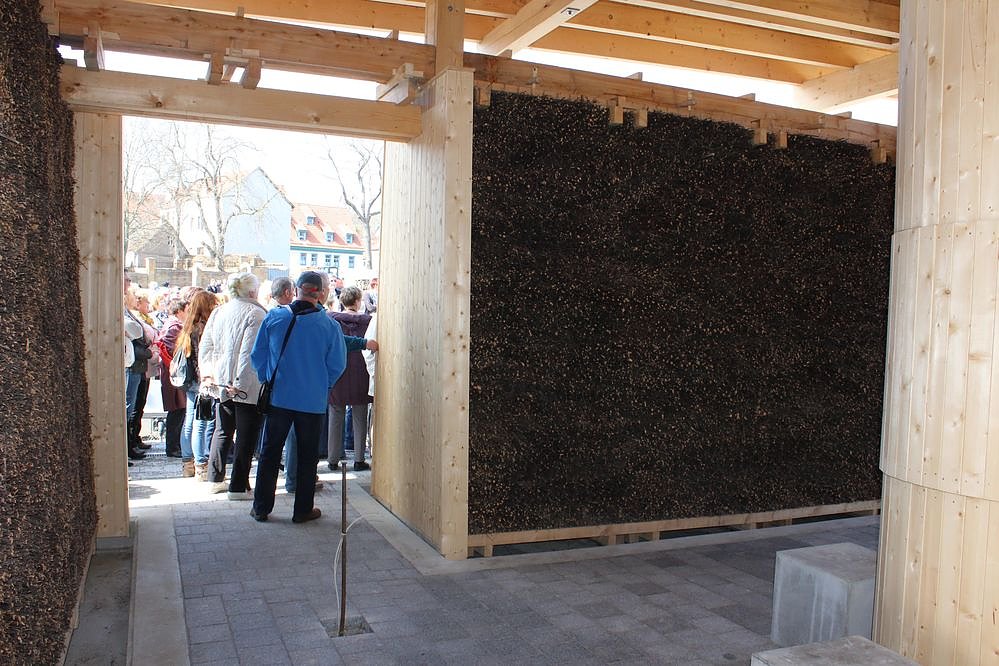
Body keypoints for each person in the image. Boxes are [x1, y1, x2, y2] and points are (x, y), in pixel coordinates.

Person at [249, 271, 346, 523]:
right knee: (307, 456)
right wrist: (322, 385)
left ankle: (261, 507)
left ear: (296, 290)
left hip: (279, 397)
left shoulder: (275, 317)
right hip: (312, 401)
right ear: (321, 293)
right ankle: (302, 510)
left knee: (270, 453)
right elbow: (337, 364)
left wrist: (268, 378)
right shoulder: (329, 326)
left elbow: (257, 355)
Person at [200, 273, 267, 500]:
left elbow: (206, 346)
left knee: (223, 430)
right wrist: (240, 384)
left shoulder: (220, 312)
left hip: (221, 380)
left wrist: (208, 374)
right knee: (246, 435)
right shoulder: (256, 313)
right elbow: (248, 354)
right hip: (244, 385)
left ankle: (214, 478)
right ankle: (238, 486)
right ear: (252, 291)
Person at [328, 287, 373, 472]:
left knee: (335, 415)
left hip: (338, 371)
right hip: (360, 372)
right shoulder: (367, 322)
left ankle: (332, 459)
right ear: (357, 301)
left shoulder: (332, 320)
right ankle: (359, 459)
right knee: (360, 416)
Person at [178, 289, 219, 480]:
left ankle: (188, 463)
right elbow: (202, 357)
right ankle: (201, 464)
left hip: (190, 381)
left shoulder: (188, 327)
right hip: (201, 380)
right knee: (202, 422)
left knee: (190, 421)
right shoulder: (202, 328)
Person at [158, 297, 188, 465]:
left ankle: (175, 445)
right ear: (180, 311)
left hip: (173, 372)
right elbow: (172, 349)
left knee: (178, 410)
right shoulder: (174, 327)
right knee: (176, 410)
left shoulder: (174, 325)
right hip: (173, 372)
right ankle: (172, 446)